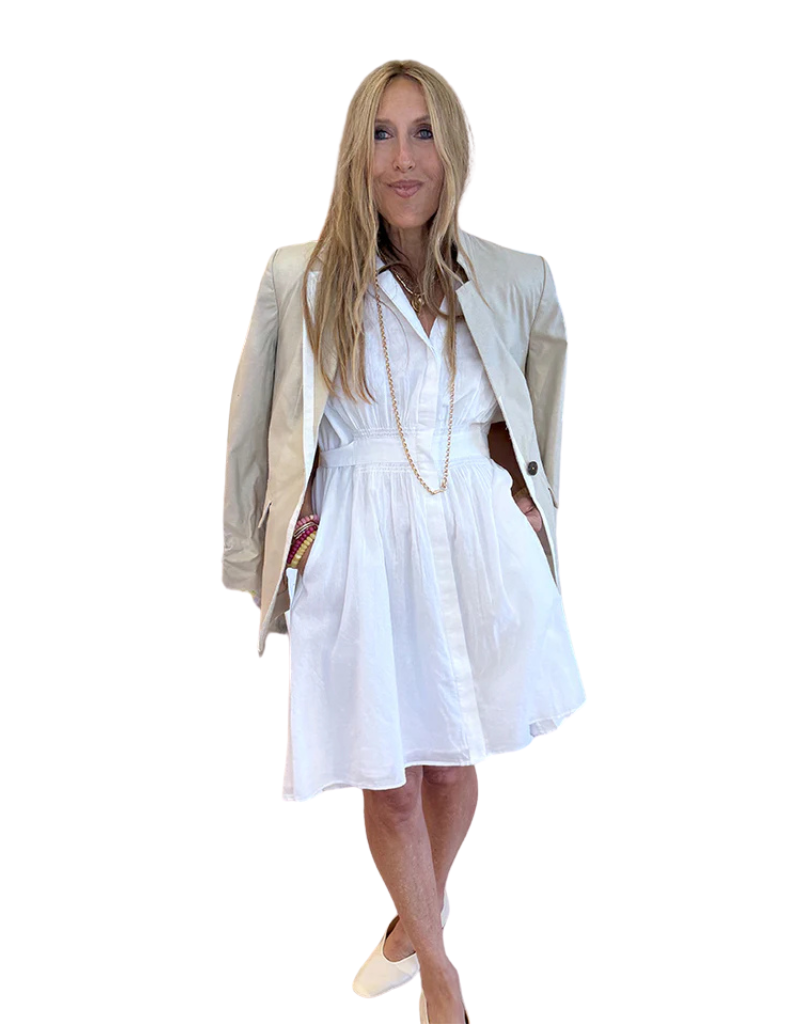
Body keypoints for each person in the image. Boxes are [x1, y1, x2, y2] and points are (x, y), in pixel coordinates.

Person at [222, 59, 586, 1024]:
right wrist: (259, 547)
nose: (403, 158)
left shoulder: (513, 277)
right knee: (389, 776)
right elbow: (257, 427)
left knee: (452, 768)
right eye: (382, 134)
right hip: (357, 540)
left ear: (453, 149)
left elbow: (532, 416)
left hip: (472, 537)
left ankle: (407, 927)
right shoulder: (301, 277)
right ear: (356, 151)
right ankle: (441, 978)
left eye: (423, 132)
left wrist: (534, 502)